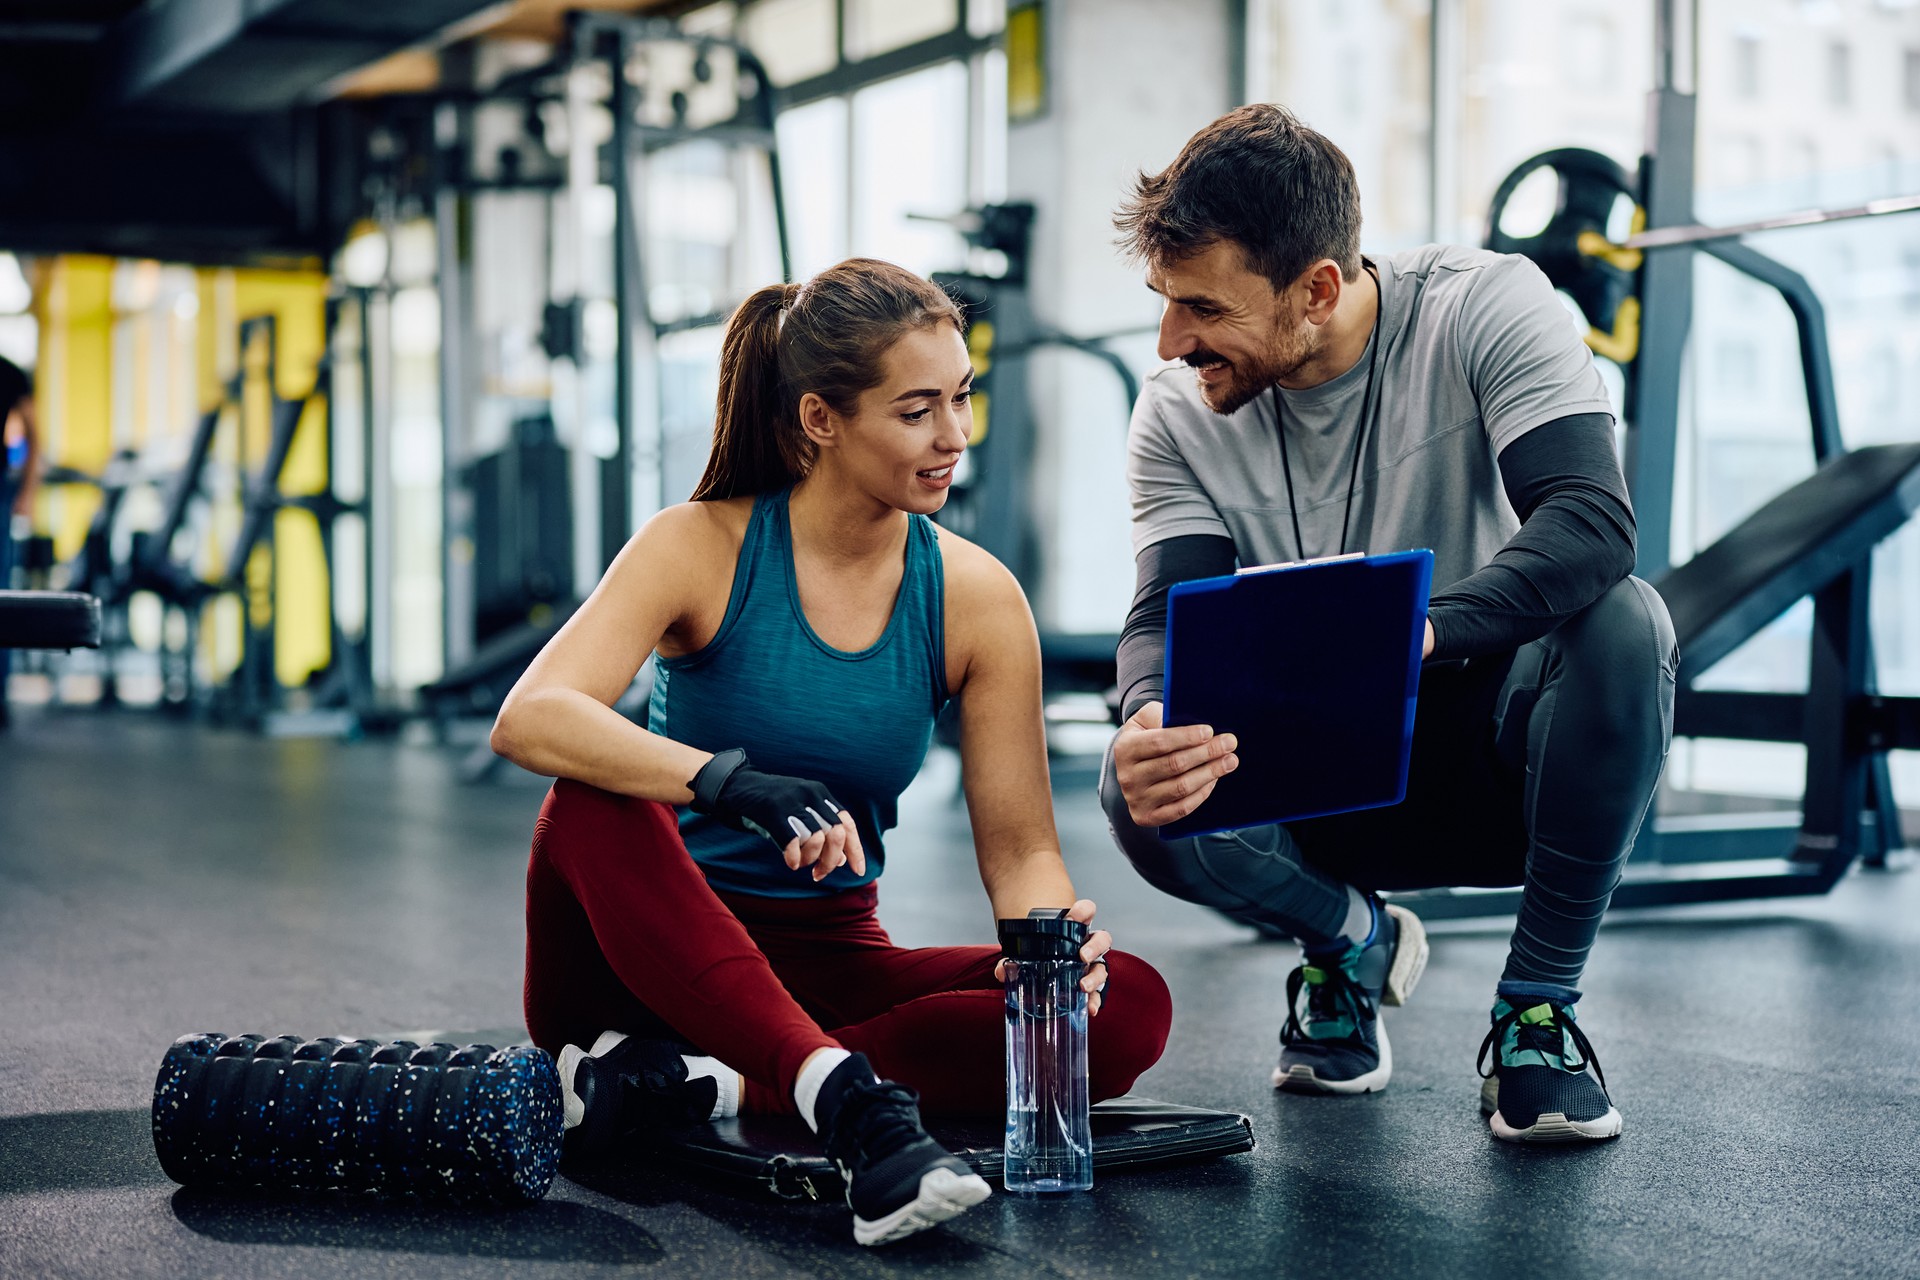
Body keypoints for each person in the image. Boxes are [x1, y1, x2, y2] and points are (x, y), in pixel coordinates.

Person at [491, 258, 1173, 1244]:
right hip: (634, 971)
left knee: (1123, 1005)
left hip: (821, 962)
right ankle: (845, 1097)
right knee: (593, 795)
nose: (954, 436)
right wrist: (724, 781)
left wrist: (1048, 955)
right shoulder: (703, 544)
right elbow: (532, 713)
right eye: (917, 410)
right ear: (821, 419)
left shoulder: (975, 596)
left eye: (963, 397)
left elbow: (1023, 849)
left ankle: (720, 1079)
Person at [1100, 105, 1675, 1144]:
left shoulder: (1486, 306)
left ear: (1317, 288)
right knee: (1134, 778)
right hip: (1308, 773)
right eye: (1164, 301)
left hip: (1494, 752)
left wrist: (1413, 631)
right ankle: (1348, 939)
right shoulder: (1176, 409)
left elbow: (1591, 524)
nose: (1171, 341)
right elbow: (1159, 612)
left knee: (1627, 624)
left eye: (1201, 306)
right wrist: (1145, 711)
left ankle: (1535, 1013)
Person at [0, 355, 40, 729]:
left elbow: (33, 431)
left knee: (1, 595)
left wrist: (27, 491)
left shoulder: (9, 373)